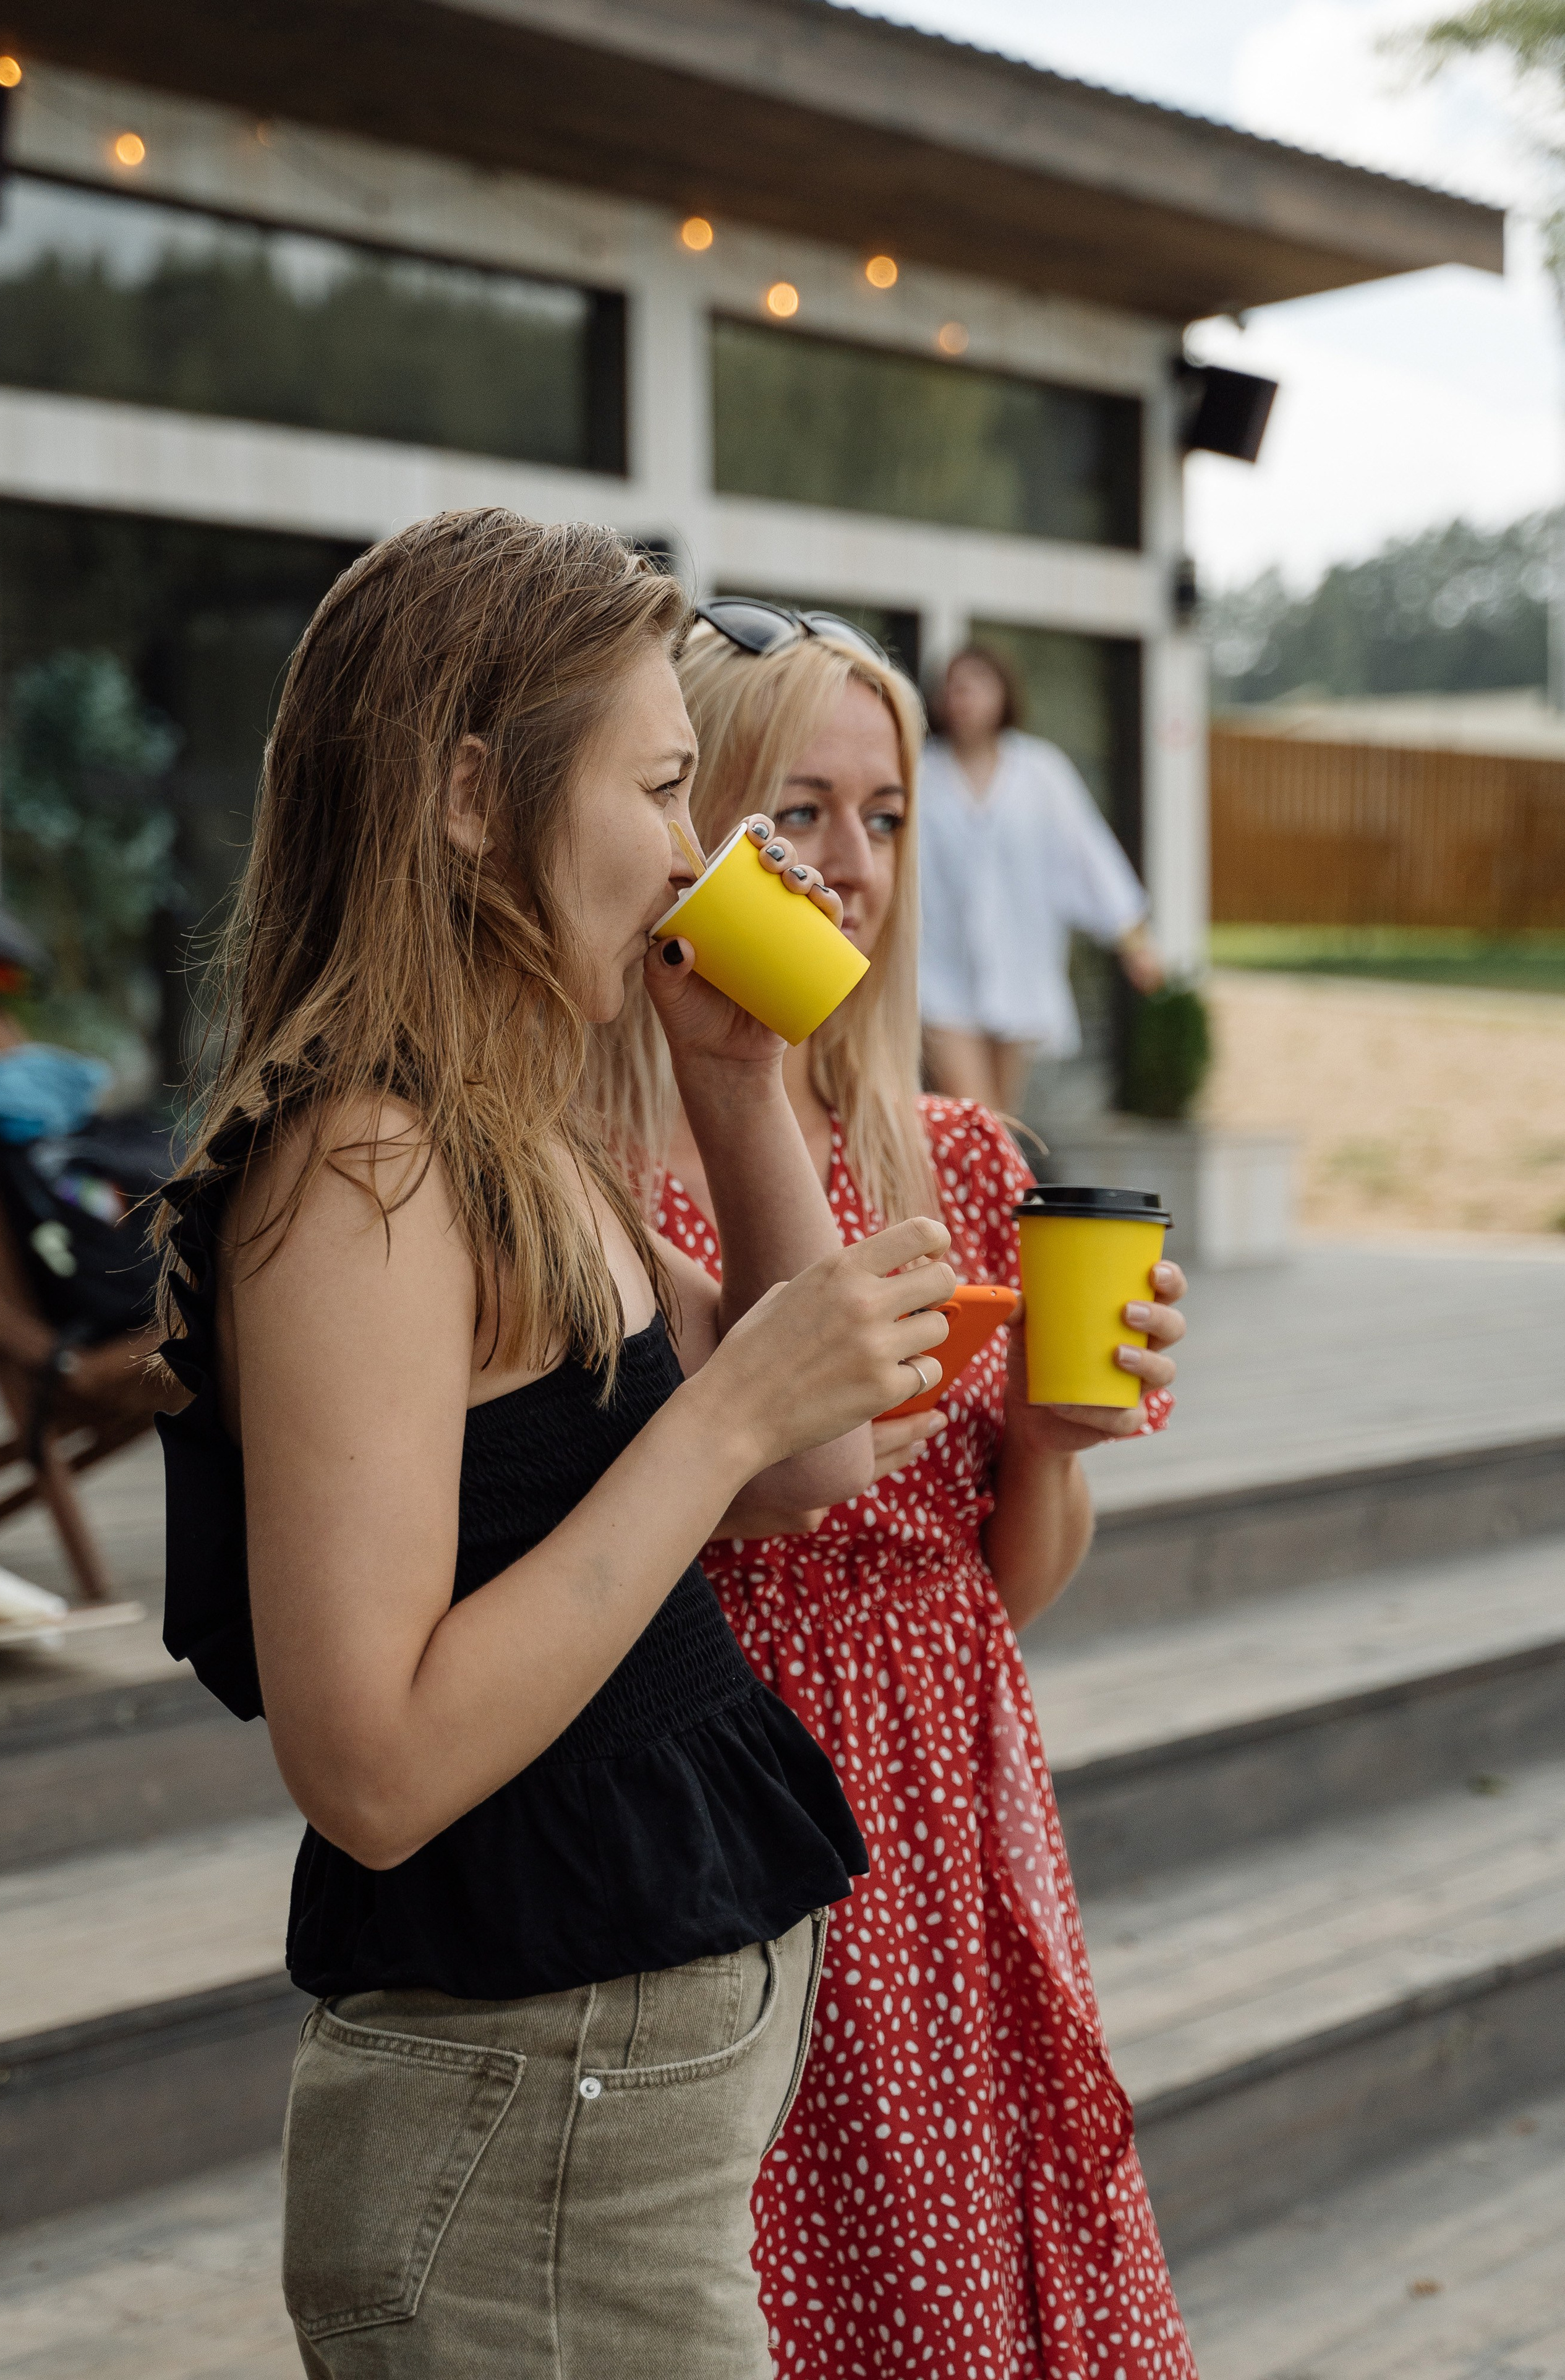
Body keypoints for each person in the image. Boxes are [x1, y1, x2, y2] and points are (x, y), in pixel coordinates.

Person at [151, 518, 964, 2380]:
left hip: (586, 2121)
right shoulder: (363, 1160)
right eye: (666, 787)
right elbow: (369, 1761)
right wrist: (745, 1402)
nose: (697, 855)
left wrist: (740, 1082)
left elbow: (807, 1471)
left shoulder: (504, 1128)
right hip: (525, 2135)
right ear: (464, 794)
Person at [587, 597, 1196, 2379]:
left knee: (947, 2282)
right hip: (711, 1780)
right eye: (793, 814)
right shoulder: (590, 1174)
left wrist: (1060, 1454)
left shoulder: (964, 1158)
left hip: (941, 1782)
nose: (847, 867)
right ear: (680, 822)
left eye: (887, 816)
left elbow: (994, 1590)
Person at [919, 643, 1166, 1114]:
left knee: (1001, 1123)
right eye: (954, 688)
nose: (964, 698)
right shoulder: (920, 773)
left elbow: (1088, 854)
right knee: (975, 1116)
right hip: (939, 973)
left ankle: (990, 1191)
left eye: (976, 686)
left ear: (1003, 695)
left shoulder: (1041, 771)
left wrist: (1135, 941)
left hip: (1020, 969)